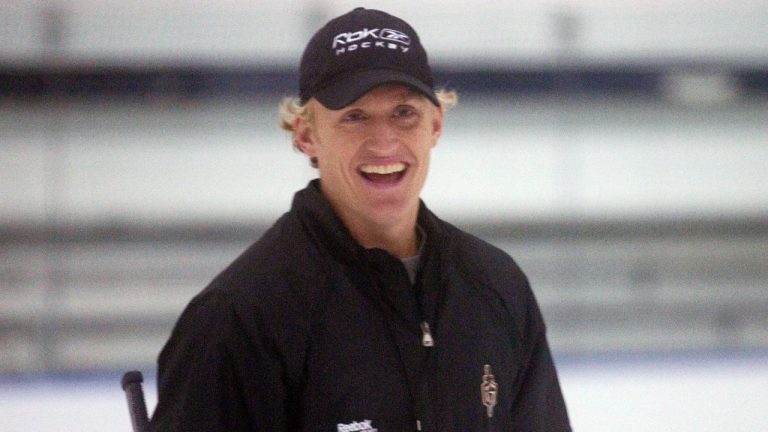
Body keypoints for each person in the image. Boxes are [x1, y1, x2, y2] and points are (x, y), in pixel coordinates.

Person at [150, 7, 571, 432]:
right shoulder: (240, 317)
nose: (384, 142)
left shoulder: (495, 285)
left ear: (435, 125)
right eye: (354, 116)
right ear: (306, 135)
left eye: (403, 112)